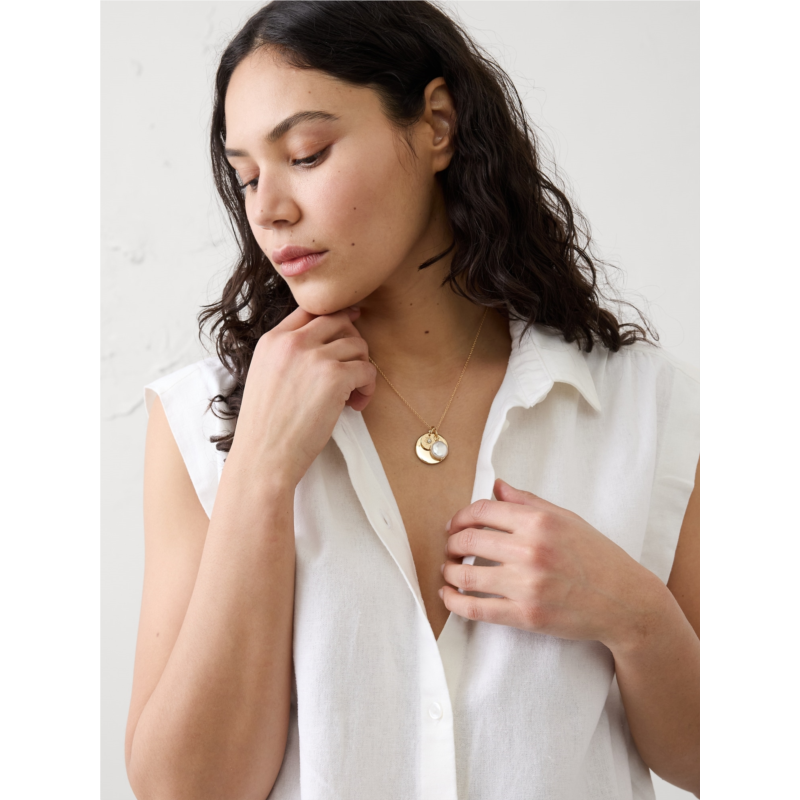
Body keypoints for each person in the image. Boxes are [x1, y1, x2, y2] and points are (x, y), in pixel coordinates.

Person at [125, 1, 700, 798]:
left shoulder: (638, 403)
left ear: (436, 125)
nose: (268, 209)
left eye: (307, 154)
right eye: (247, 176)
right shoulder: (200, 418)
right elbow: (186, 791)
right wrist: (259, 469)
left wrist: (635, 617)